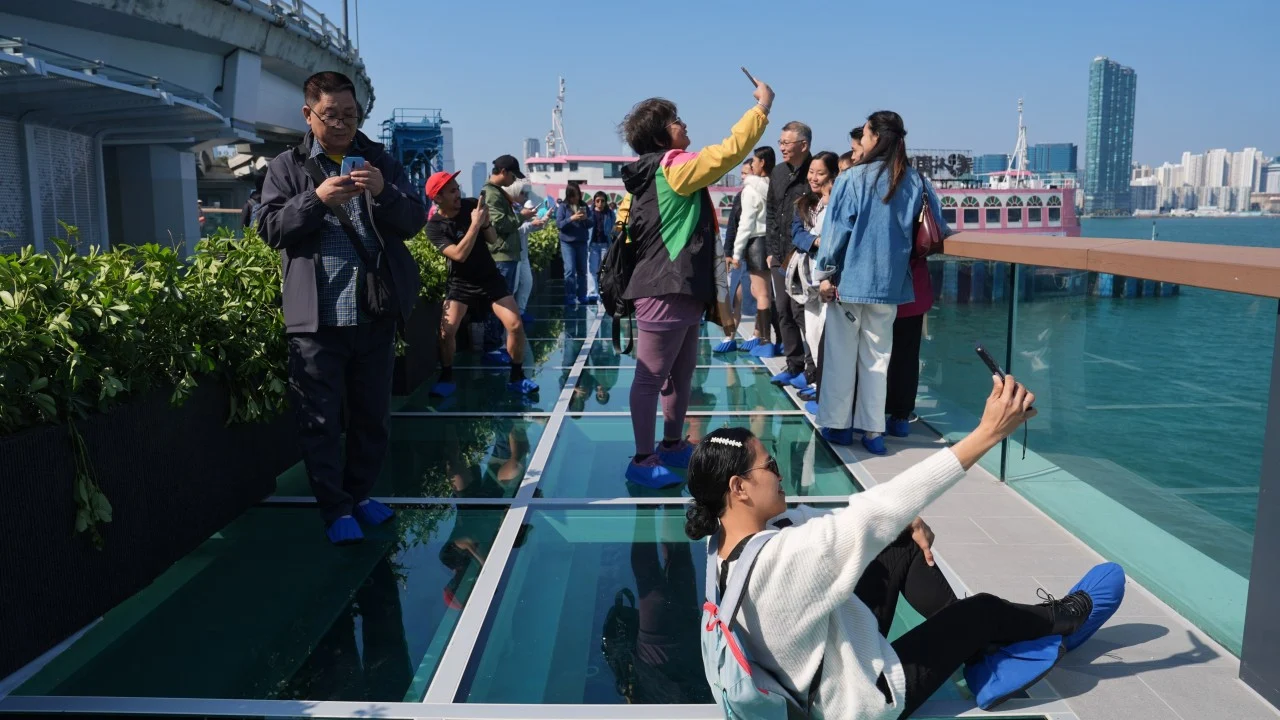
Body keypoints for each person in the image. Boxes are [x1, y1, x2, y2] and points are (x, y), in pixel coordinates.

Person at [686, 376, 1113, 720]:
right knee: (979, 610)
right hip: (859, 704)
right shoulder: (785, 561)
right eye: (770, 465)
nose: (780, 472)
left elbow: (836, 521)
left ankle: (987, 652)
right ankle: (1062, 620)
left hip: (818, 665)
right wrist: (988, 433)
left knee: (898, 545)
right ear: (739, 488)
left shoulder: (722, 544)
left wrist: (902, 523)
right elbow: (874, 511)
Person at [258, 71, 425, 545]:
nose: (343, 125)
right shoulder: (286, 168)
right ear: (308, 115)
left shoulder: (380, 162)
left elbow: (414, 220)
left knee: (373, 415)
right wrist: (316, 199)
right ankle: (334, 509)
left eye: (351, 115)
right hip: (317, 319)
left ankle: (360, 495)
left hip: (373, 311)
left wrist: (383, 191)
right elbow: (269, 229)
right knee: (320, 421)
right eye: (332, 116)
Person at [616, 76, 774, 488]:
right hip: (664, 287)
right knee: (651, 376)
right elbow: (726, 154)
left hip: (682, 288)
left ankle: (671, 444)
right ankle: (642, 457)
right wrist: (761, 109)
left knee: (682, 372)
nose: (684, 126)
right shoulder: (673, 166)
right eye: (676, 121)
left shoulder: (662, 170)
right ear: (659, 134)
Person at [814, 111, 943, 455]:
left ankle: (839, 426)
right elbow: (939, 224)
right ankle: (874, 431)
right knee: (877, 359)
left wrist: (824, 274)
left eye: (867, 134)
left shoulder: (853, 178)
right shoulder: (915, 179)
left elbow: (836, 233)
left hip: (850, 282)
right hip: (890, 284)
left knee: (842, 356)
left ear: (873, 138)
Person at [424, 171, 539, 399]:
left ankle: (517, 376)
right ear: (438, 198)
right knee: (446, 333)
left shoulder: (470, 206)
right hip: (460, 283)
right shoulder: (434, 227)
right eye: (452, 191)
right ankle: (447, 376)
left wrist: (486, 223)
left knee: (515, 325)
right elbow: (458, 254)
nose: (458, 194)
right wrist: (475, 225)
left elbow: (493, 239)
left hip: (489, 278)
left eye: (457, 188)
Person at [764, 122, 814, 386]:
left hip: (803, 256)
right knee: (783, 310)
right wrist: (772, 251)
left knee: (803, 313)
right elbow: (771, 212)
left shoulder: (815, 172)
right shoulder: (778, 172)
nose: (781, 147)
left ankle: (812, 370)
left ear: (803, 145)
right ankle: (793, 365)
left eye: (787, 143)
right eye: (780, 142)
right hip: (779, 255)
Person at [786, 151, 840, 398]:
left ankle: (826, 389)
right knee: (812, 332)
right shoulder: (804, 203)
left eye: (820, 173)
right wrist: (815, 241)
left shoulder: (837, 204)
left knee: (827, 335)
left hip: (829, 278)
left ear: (832, 176)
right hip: (809, 280)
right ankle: (819, 383)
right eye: (811, 172)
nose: (814, 178)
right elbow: (796, 233)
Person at [732, 147, 776, 354]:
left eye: (755, 162)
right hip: (771, 242)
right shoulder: (772, 186)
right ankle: (764, 337)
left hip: (756, 242)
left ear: (762, 164)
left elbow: (746, 223)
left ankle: (765, 341)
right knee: (763, 291)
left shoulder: (751, 190)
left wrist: (736, 251)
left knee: (761, 293)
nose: (752, 166)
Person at [556, 185, 592, 305]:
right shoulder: (563, 206)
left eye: (577, 194)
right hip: (567, 242)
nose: (576, 198)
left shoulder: (584, 205)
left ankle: (582, 295)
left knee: (582, 270)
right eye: (573, 195)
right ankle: (570, 296)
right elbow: (559, 224)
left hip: (581, 241)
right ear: (569, 195)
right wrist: (571, 218)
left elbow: (591, 223)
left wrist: (585, 219)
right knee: (570, 270)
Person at [586, 190, 615, 303]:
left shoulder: (610, 213)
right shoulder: (590, 212)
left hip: (605, 245)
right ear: (594, 201)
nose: (600, 203)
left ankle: (603, 292)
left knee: (604, 270)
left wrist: (615, 237)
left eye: (603, 201)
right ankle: (592, 293)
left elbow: (615, 226)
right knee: (592, 269)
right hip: (592, 245)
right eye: (598, 201)